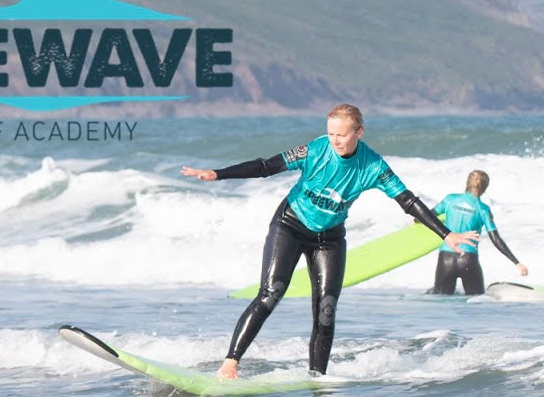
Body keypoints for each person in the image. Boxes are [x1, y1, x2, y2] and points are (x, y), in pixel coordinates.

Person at [181, 103, 478, 380]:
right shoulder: (314, 150)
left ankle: (316, 378)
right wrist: (217, 174)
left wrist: (446, 233)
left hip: (329, 238)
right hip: (290, 224)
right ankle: (230, 363)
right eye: (331, 133)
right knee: (272, 292)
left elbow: (408, 201)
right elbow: (265, 167)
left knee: (326, 307)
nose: (334, 140)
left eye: (341, 135)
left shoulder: (373, 166)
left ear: (359, 133)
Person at [426, 169, 527, 295]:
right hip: (468, 260)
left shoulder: (450, 199)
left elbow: (427, 216)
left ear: (467, 183)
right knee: (476, 300)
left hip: (446, 258)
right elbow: (496, 239)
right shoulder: (483, 209)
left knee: (441, 299)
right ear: (484, 188)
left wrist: (415, 220)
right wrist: (516, 263)